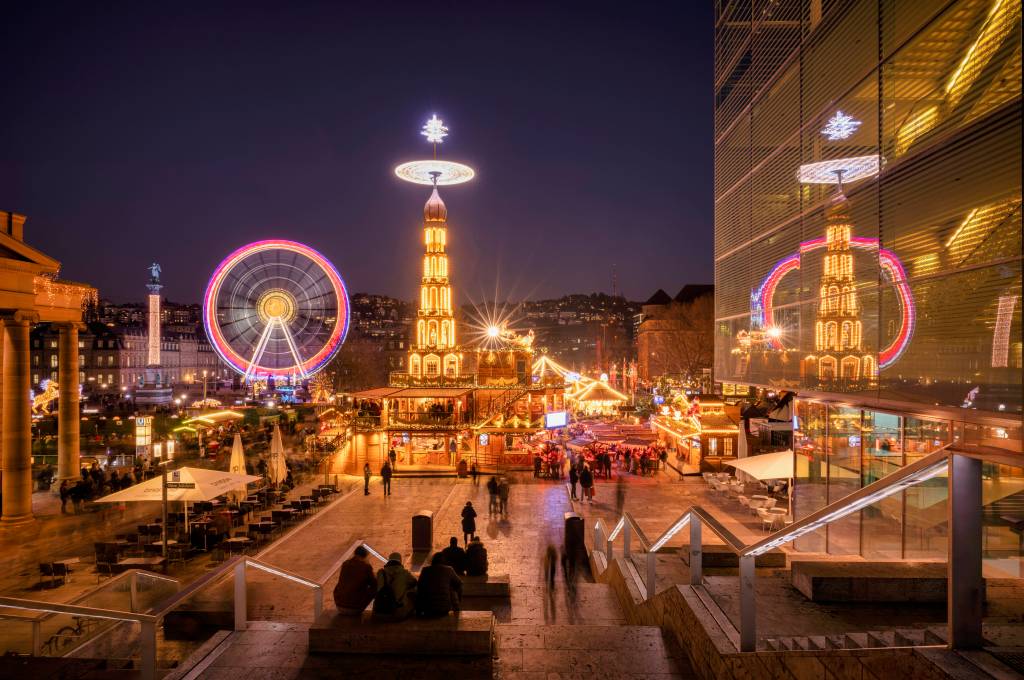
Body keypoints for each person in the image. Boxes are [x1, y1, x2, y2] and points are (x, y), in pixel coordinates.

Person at [415, 552, 463, 618]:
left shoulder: (425, 570)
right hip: (444, 608)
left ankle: (419, 611)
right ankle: (457, 608)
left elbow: (419, 586)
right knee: (451, 587)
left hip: (427, 608)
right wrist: (459, 599)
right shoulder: (449, 570)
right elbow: (459, 584)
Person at [373, 552, 417, 621]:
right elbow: (414, 582)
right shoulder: (404, 573)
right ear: (400, 562)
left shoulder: (380, 572)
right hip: (397, 614)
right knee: (413, 589)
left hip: (379, 613)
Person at [334, 546, 377, 614]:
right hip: (355, 608)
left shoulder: (345, 564)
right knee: (375, 587)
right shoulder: (366, 566)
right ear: (365, 556)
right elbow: (373, 583)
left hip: (339, 605)